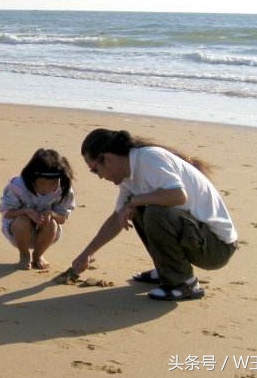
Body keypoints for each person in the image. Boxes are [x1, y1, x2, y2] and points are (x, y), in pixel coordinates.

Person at [71, 129, 238, 301]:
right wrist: (87, 254)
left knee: (154, 212)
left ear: (107, 159)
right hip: (198, 237)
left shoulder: (149, 159)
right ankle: (166, 270)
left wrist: (135, 201)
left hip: (216, 248)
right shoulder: (129, 175)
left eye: (95, 170)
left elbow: (178, 196)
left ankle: (184, 284)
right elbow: (116, 219)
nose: (99, 177)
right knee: (139, 208)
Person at [0, 148, 76, 270]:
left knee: (52, 223)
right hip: (17, 230)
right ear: (32, 178)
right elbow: (6, 212)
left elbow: (62, 219)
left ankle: (38, 255)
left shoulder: (64, 190)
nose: (47, 188)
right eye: (42, 183)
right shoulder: (18, 186)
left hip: (47, 234)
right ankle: (24, 255)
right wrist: (26, 211)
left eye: (53, 183)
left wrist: (51, 214)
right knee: (22, 221)